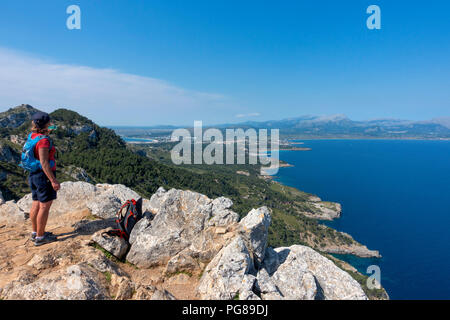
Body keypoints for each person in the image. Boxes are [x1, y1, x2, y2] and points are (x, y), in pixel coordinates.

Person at [27, 112, 61, 246]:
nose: (51, 124)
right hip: (43, 176)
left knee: (36, 203)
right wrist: (53, 180)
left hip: (33, 174)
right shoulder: (43, 140)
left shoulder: (32, 136)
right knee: (44, 206)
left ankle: (35, 232)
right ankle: (41, 238)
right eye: (49, 122)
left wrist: (49, 129)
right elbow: (44, 163)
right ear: (46, 123)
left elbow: (51, 128)